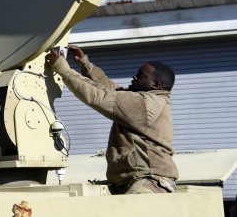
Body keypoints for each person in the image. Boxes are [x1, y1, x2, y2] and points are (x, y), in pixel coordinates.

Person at [45, 44, 178, 195]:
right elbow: (111, 90)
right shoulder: (148, 99)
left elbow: (98, 96)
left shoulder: (146, 103)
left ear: (156, 85)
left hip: (148, 181)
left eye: (141, 76)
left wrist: (64, 70)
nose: (134, 77)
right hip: (134, 179)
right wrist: (86, 65)